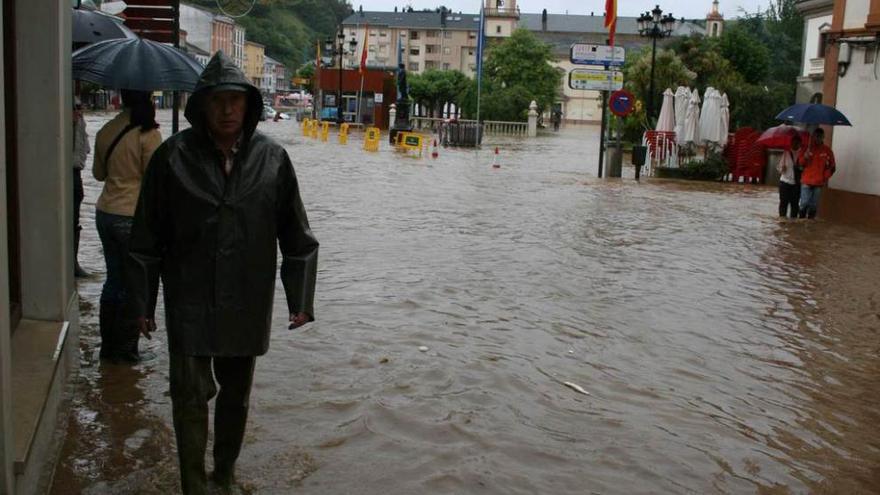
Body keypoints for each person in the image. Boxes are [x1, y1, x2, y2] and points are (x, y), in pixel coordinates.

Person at [126, 51, 319, 495]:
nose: (229, 109)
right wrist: (142, 304)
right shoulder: (171, 158)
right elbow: (144, 239)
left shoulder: (272, 159)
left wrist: (301, 301)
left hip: (246, 299)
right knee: (189, 399)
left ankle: (225, 474)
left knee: (236, 397)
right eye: (219, 101)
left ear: (250, 106)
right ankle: (194, 485)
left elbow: (297, 235)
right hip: (189, 298)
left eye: (236, 100)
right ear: (202, 106)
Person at [93, 89, 162, 362]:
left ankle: (108, 348)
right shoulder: (148, 133)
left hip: (105, 213)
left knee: (114, 281)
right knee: (134, 285)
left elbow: (99, 174)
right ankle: (125, 352)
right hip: (132, 217)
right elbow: (156, 181)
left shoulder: (107, 130)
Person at [798, 128, 836, 219]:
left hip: (818, 182)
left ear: (823, 137)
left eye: (820, 137)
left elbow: (832, 167)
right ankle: (800, 222)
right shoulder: (806, 148)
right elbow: (800, 163)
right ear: (813, 137)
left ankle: (810, 224)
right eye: (816, 136)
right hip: (806, 181)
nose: (818, 138)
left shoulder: (827, 151)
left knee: (814, 205)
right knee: (804, 203)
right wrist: (805, 157)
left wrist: (824, 177)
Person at [73, 96, 90, 277]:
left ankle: (74, 261)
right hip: (67, 171)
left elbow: (85, 147)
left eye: (80, 107)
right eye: (76, 107)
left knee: (75, 219)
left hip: (76, 173)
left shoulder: (80, 123)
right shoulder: (62, 123)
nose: (79, 111)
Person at [776, 133, 803, 218]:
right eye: (793, 142)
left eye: (797, 143)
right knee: (783, 203)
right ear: (791, 143)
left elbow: (805, 168)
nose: (795, 144)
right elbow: (778, 168)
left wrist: (800, 168)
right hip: (784, 182)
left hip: (796, 184)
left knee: (795, 205)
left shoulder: (802, 154)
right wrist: (782, 169)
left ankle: (793, 224)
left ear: (800, 143)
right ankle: (782, 221)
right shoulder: (786, 153)